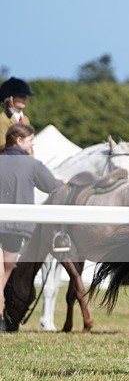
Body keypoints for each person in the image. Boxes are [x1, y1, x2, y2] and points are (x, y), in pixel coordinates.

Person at [0, 124, 64, 331]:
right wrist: (63, 181)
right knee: (6, 271)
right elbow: (52, 186)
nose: (33, 143)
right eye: (30, 140)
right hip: (14, 227)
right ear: (18, 140)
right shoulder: (32, 164)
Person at [0, 77, 34, 143]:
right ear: (10, 98)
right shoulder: (2, 120)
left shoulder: (26, 119)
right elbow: (2, 145)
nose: (25, 99)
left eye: (25, 96)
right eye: (21, 96)